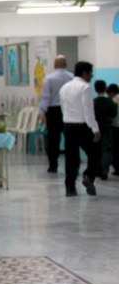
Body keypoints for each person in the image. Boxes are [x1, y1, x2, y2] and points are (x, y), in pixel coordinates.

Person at [59, 61, 101, 196]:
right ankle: (88, 176)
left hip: (67, 125)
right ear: (84, 73)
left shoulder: (64, 87)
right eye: (90, 73)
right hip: (82, 127)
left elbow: (63, 107)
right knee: (94, 152)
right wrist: (95, 129)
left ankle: (70, 188)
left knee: (71, 157)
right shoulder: (85, 87)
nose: (92, 76)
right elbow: (88, 111)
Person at [39, 55, 74, 173]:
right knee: (70, 138)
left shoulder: (49, 78)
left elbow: (45, 97)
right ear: (66, 64)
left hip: (53, 111)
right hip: (68, 110)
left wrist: (42, 111)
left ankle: (53, 165)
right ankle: (71, 164)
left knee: (53, 139)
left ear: (54, 65)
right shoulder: (72, 77)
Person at [93, 80, 117, 180]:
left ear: (95, 89)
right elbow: (114, 113)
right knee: (106, 149)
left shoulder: (93, 101)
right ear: (105, 88)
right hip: (107, 127)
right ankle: (105, 170)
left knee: (96, 149)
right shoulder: (109, 101)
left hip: (96, 128)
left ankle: (97, 170)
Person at [110, 83, 119, 176]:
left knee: (116, 149)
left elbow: (113, 113)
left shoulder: (115, 100)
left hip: (116, 127)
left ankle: (117, 168)